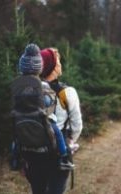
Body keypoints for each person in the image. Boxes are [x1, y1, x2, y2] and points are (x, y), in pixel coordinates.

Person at [40, 47, 83, 194]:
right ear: (52, 67)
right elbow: (77, 125)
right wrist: (70, 141)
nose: (60, 65)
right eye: (58, 62)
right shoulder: (67, 92)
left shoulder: (33, 89)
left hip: (35, 149)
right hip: (59, 151)